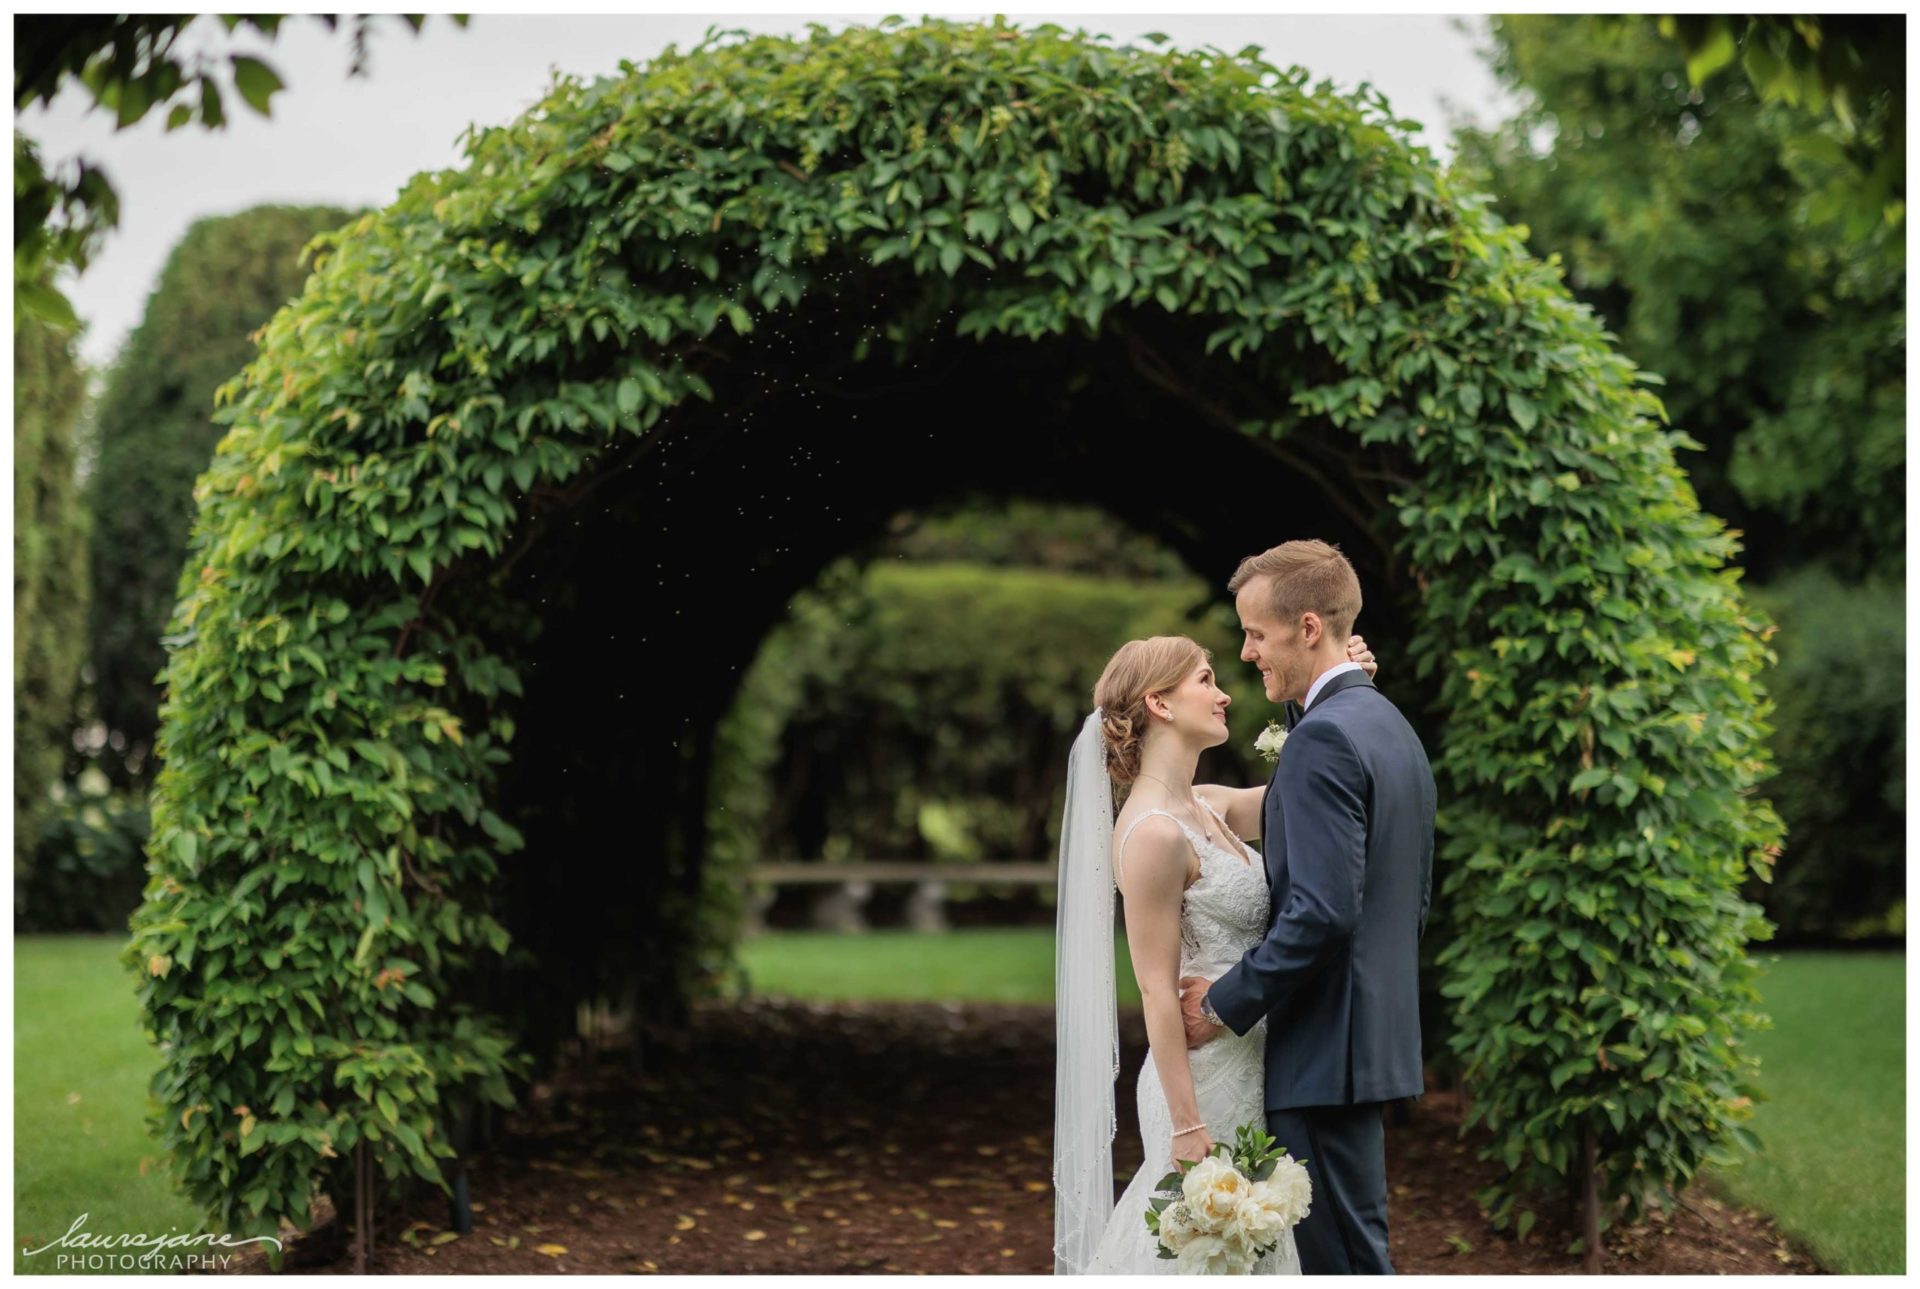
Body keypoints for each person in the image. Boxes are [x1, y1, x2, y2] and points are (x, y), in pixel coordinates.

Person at [1052, 627, 1378, 1274]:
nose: (1225, 693)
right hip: (1203, 1079)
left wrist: (1343, 685)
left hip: (1256, 1057)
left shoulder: (1207, 806)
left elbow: (1312, 790)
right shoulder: (1152, 835)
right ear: (1160, 703)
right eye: (1205, 678)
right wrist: (1183, 1123)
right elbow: (1154, 988)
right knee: (1203, 1253)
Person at [1180, 540, 1436, 1275]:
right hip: (1365, 1036)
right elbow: (1408, 889)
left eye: (1258, 633)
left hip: (1325, 1048)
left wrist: (1225, 1001)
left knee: (1344, 1264)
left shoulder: (1324, 737)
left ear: (1310, 627)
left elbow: (1323, 911)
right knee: (1351, 1250)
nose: (1247, 650)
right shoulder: (1384, 723)